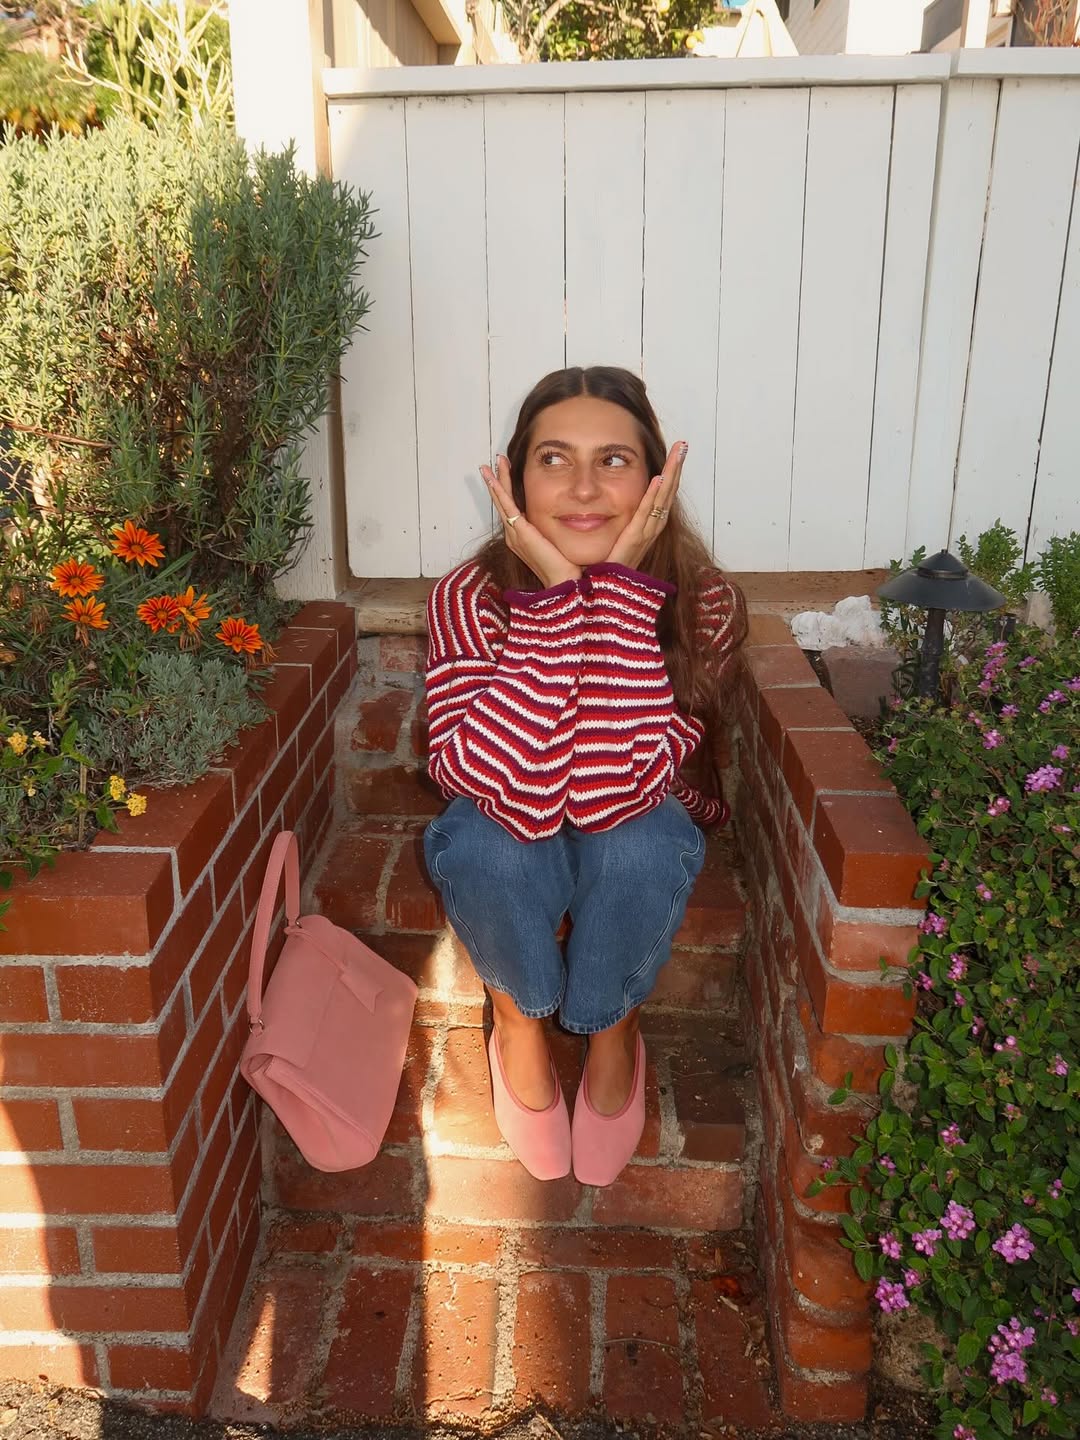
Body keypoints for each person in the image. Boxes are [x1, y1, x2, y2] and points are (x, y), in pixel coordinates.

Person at [422, 366, 747, 1187]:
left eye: (614, 461)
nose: (583, 488)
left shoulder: (703, 602)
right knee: (482, 844)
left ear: (656, 481)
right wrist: (561, 605)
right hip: (511, 807)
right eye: (554, 459)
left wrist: (620, 604)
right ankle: (518, 1024)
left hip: (632, 809)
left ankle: (613, 1030)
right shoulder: (469, 596)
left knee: (640, 845)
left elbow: (614, 796)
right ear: (516, 482)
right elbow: (493, 786)